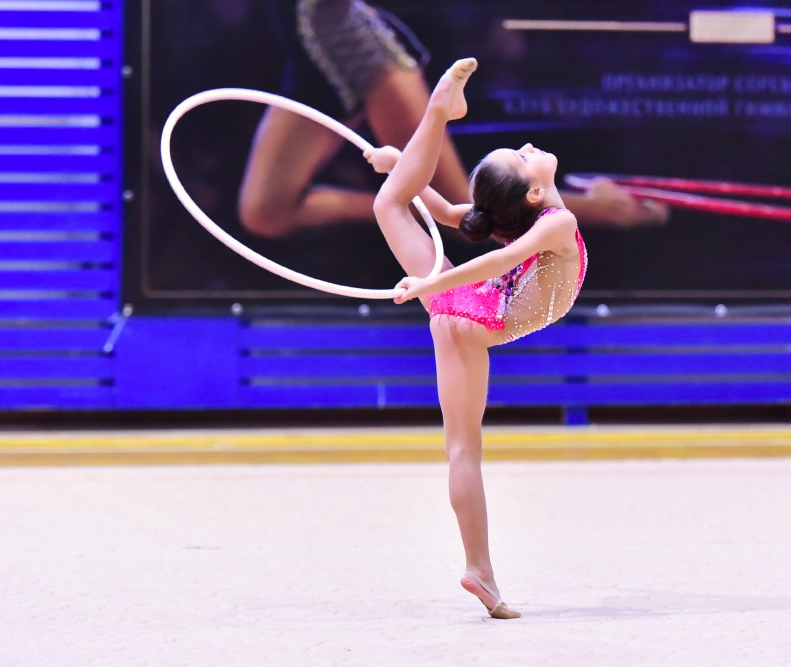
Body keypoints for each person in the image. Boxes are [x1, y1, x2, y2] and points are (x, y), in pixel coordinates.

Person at [363, 57, 587, 619]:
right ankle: (438, 110)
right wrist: (430, 283)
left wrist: (400, 169)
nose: (530, 147)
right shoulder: (556, 222)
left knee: (389, 201)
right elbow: (487, 251)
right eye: (523, 158)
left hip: (459, 309)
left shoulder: (531, 220)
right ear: (534, 192)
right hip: (473, 313)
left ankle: (479, 569)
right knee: (464, 449)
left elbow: (446, 214)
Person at [240, 0, 666, 238]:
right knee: (264, 211)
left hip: (354, 47)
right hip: (310, 55)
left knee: (467, 208)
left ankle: (603, 210)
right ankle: (405, 208)